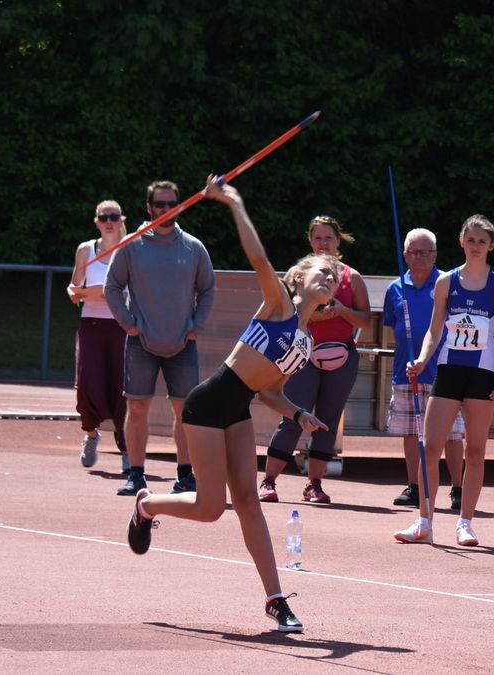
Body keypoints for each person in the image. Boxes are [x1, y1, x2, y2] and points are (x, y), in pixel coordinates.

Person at [126, 176, 332, 633]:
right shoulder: (278, 301)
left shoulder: (305, 340)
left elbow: (267, 391)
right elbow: (257, 257)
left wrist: (297, 414)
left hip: (238, 410)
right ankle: (147, 505)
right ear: (300, 278)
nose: (330, 278)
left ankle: (276, 600)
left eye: (334, 276)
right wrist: (234, 200)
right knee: (210, 508)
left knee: (249, 503)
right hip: (207, 405)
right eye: (323, 271)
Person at [395, 214, 494, 546]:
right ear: (461, 242)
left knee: (475, 450)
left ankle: (465, 522)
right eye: (471, 240)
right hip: (448, 371)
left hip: (483, 373)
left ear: (491, 246)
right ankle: (424, 520)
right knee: (430, 446)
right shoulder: (446, 282)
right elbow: (435, 329)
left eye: (482, 241)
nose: (476, 246)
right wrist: (422, 359)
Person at [105, 181, 215, 496]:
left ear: (180, 205)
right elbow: (112, 286)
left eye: (172, 204)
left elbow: (207, 288)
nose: (166, 210)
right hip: (142, 342)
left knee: (186, 412)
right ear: (149, 207)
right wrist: (129, 324)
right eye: (160, 204)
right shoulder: (132, 244)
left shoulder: (193, 247)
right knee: (137, 408)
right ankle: (136, 474)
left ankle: (185, 476)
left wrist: (197, 325)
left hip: (183, 343)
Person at [258, 216, 369, 505]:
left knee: (327, 422)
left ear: (337, 241)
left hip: (342, 356)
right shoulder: (297, 274)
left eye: (328, 238)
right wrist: (315, 316)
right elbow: (283, 313)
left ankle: (314, 485)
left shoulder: (351, 277)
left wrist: (342, 311)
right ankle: (268, 481)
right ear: (310, 241)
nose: (323, 244)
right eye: (317, 238)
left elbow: (365, 320)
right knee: (293, 416)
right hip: (301, 356)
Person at [384, 228, 466, 509]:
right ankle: (415, 485)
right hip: (406, 371)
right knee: (411, 431)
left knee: (452, 434)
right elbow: (389, 327)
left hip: (444, 370)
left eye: (426, 252)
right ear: (405, 255)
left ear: (435, 255)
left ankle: (458, 488)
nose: (419, 257)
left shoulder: (446, 283)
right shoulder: (395, 288)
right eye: (414, 252)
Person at [68, 200, 129, 470]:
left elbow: (135, 289)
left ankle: (127, 448)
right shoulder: (85, 250)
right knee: (87, 384)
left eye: (113, 216)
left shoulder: (130, 248)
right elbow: (73, 286)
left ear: (121, 220)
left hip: (120, 325)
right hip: (91, 324)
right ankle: (91, 433)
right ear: (96, 221)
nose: (109, 221)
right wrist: (75, 294)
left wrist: (114, 295)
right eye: (103, 216)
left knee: (122, 388)